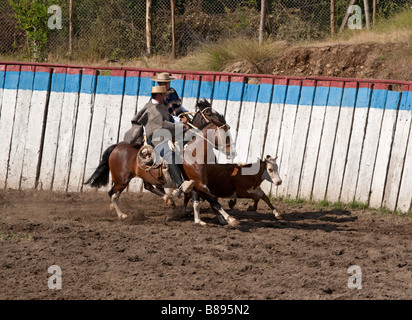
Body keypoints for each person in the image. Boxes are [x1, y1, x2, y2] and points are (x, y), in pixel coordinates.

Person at [123, 85, 194, 196]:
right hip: (156, 138)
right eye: (164, 94)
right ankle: (180, 185)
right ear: (159, 95)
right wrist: (181, 126)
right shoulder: (151, 108)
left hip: (165, 133)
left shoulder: (160, 106)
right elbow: (163, 124)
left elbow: (169, 119)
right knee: (169, 154)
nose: (166, 96)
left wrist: (180, 120)